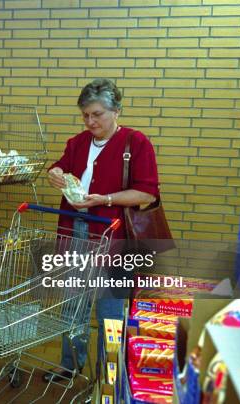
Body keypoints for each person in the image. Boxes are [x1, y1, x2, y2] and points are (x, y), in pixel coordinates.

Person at [43, 78, 160, 382]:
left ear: (116, 111)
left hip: (114, 239)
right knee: (73, 303)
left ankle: (109, 376)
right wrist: (54, 173)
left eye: (97, 114)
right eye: (85, 115)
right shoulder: (78, 143)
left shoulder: (136, 144)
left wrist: (105, 199)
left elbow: (147, 194)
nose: (90, 121)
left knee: (110, 310)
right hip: (75, 233)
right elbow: (60, 166)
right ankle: (69, 366)